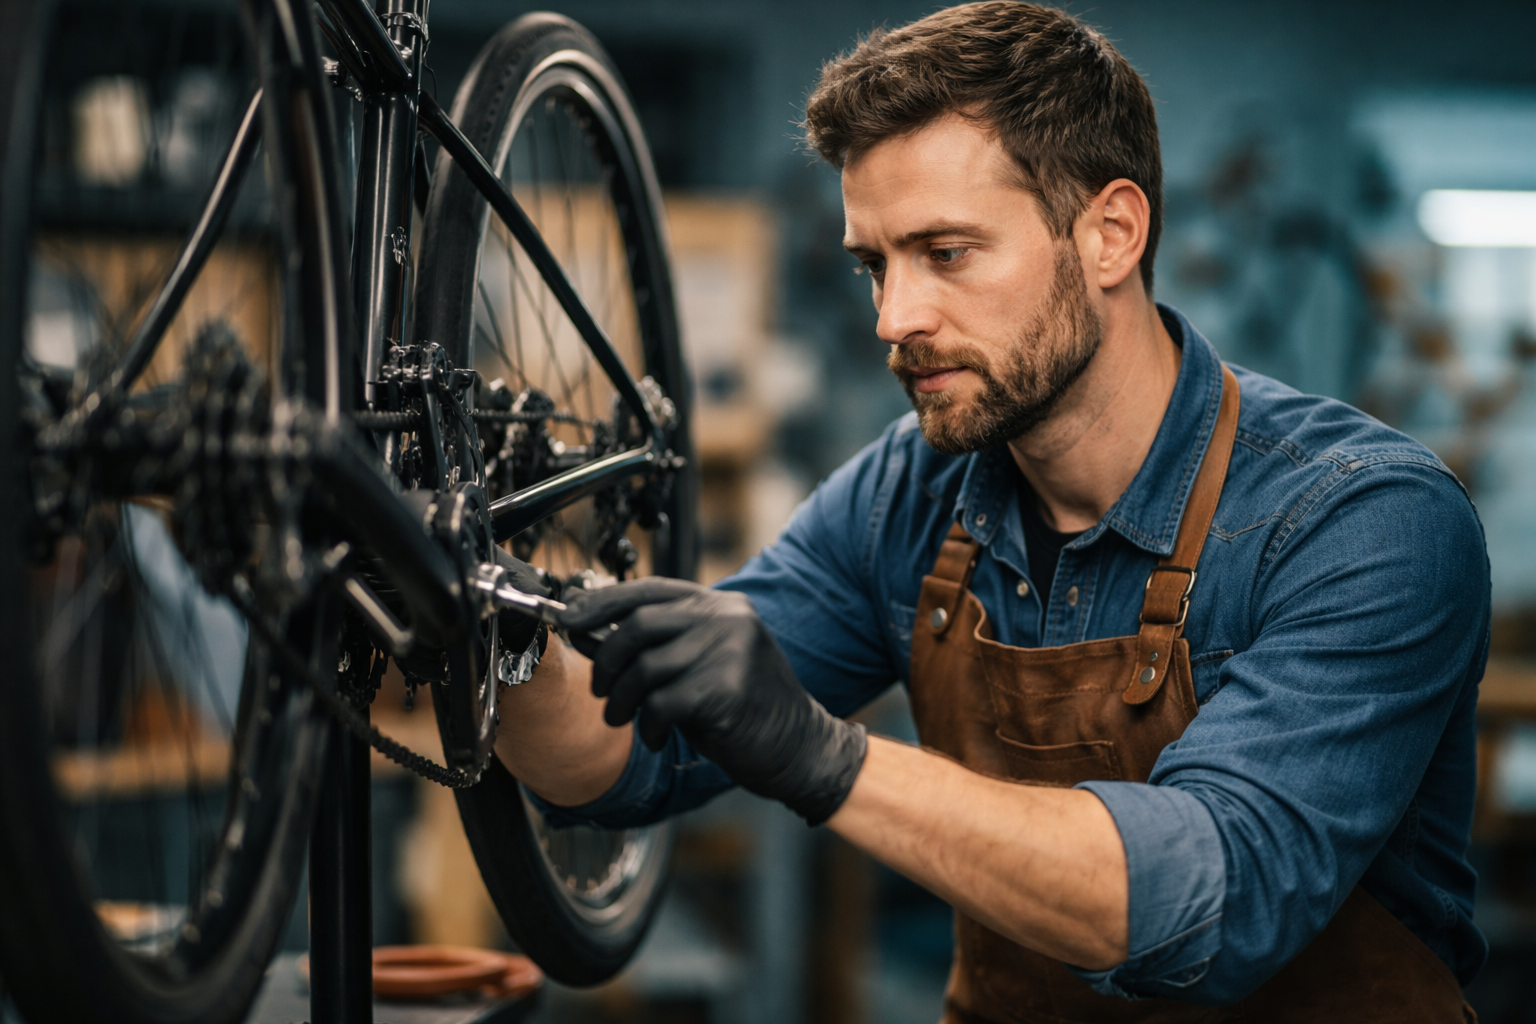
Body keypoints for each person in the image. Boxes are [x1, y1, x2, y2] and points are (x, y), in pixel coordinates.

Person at [494, 3, 1490, 1019]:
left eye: (947, 253)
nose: (894, 318)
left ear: (1111, 233)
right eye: (874, 264)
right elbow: (619, 762)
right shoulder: (913, 492)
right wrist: (487, 619)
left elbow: (1214, 901)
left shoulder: (1364, 518)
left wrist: (823, 754)